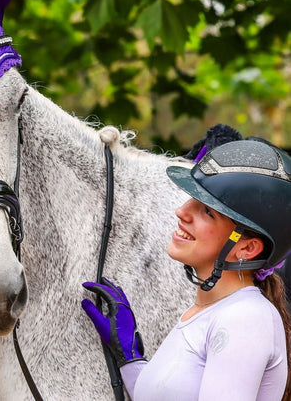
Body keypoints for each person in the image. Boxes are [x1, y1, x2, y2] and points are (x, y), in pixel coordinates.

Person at [82, 139, 291, 400]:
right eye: (191, 199)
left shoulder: (245, 318)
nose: (182, 211)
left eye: (207, 211)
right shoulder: (212, 312)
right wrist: (130, 357)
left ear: (246, 249)